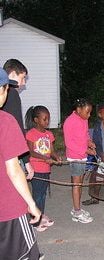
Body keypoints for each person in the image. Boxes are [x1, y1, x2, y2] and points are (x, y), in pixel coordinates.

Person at [0, 68, 42, 259]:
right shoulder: (5, 122)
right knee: (26, 254)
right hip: (8, 208)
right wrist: (31, 203)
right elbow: (13, 170)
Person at [25, 105, 62, 232]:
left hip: (46, 169)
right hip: (36, 169)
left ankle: (41, 214)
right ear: (36, 120)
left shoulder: (49, 134)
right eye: (44, 119)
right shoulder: (31, 134)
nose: (47, 122)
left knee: (43, 194)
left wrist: (56, 157)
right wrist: (44, 158)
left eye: (48, 119)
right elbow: (30, 152)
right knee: (38, 195)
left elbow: (51, 150)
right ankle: (36, 220)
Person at [63, 98, 96, 223]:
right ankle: (77, 212)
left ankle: (77, 208)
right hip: (75, 156)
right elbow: (69, 143)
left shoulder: (84, 119)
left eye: (90, 112)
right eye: (87, 112)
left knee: (80, 183)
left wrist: (89, 142)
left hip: (82, 156)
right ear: (78, 109)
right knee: (76, 184)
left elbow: (86, 134)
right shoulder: (70, 122)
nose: (89, 115)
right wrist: (86, 151)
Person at [1, 59, 34, 179]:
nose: (24, 82)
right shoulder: (11, 93)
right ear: (13, 74)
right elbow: (17, 128)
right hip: (10, 153)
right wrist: (26, 161)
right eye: (23, 77)